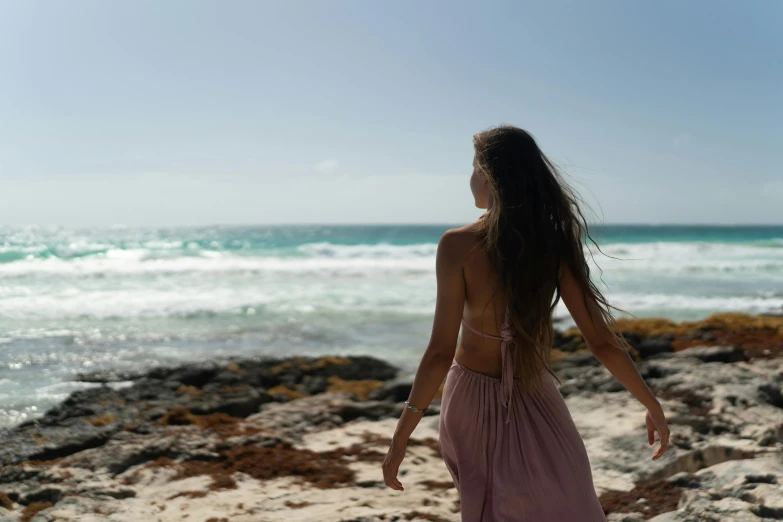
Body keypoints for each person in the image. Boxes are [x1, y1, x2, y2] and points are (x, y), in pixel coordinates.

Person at [381, 125, 670, 521]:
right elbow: (600, 341)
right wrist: (650, 402)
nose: (470, 179)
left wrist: (402, 435)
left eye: (474, 168)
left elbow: (438, 353)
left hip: (480, 396)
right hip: (528, 394)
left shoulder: (457, 245)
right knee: (569, 504)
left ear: (490, 176)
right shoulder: (553, 242)